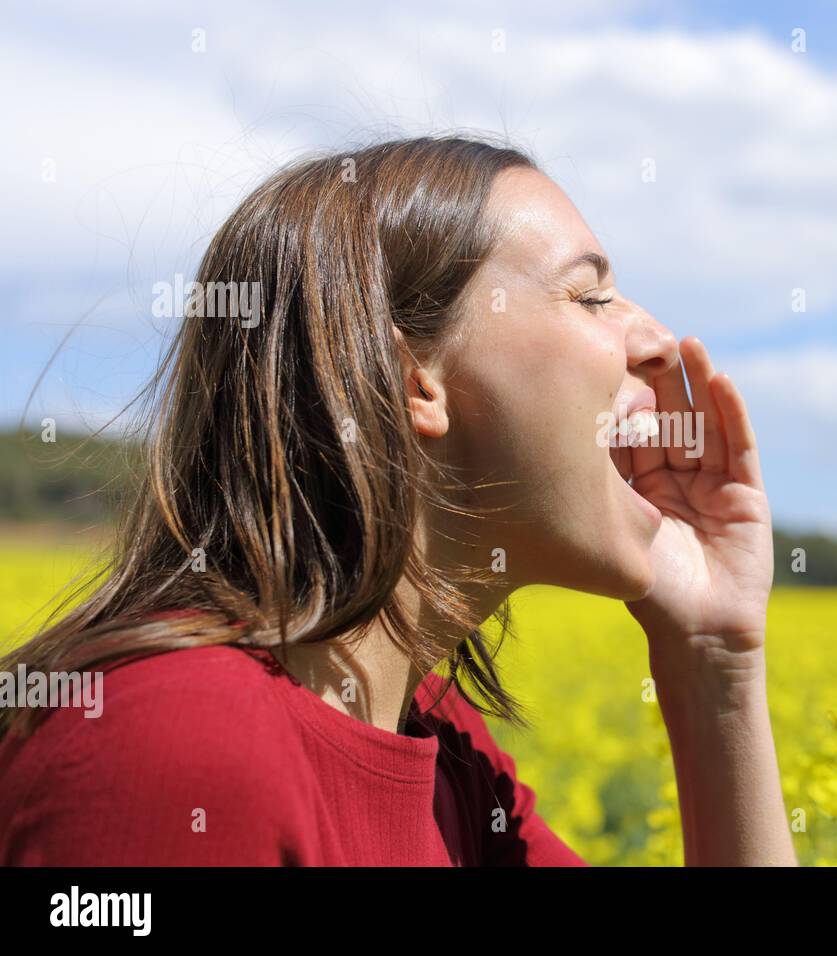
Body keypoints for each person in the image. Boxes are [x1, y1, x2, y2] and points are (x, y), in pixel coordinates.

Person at [0, 134, 796, 867]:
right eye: (590, 298)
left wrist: (715, 663)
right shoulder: (175, 743)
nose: (658, 344)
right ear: (413, 377)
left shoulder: (452, 763)